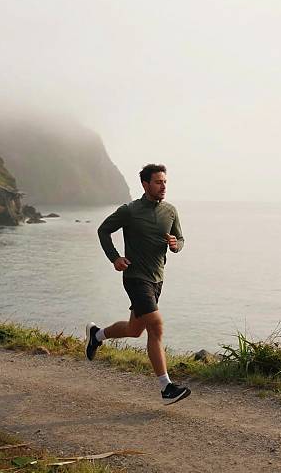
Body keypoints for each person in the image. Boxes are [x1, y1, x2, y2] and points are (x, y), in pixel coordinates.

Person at [86, 163, 191, 405]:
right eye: (158, 182)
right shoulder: (130, 211)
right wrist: (115, 258)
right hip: (135, 278)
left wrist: (176, 245)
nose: (163, 186)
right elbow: (103, 230)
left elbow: (181, 239)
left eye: (165, 181)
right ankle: (166, 388)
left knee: (135, 330)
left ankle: (97, 335)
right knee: (156, 327)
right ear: (145, 184)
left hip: (157, 279)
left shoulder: (171, 211)